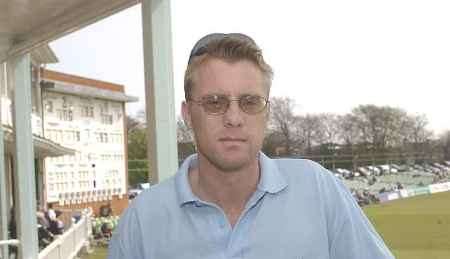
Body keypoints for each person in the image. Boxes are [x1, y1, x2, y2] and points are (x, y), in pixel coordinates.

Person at [108, 33, 394, 258]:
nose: (234, 118)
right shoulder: (143, 220)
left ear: (266, 112)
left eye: (250, 102)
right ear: (187, 116)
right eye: (214, 102)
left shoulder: (318, 190)